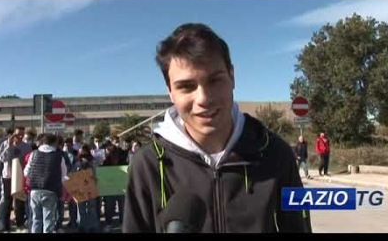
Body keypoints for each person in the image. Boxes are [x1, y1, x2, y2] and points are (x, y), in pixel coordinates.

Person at [122, 23, 312, 233]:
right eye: (186, 86)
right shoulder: (146, 166)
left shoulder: (278, 154)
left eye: (214, 80)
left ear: (232, 76)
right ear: (170, 91)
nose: (203, 98)